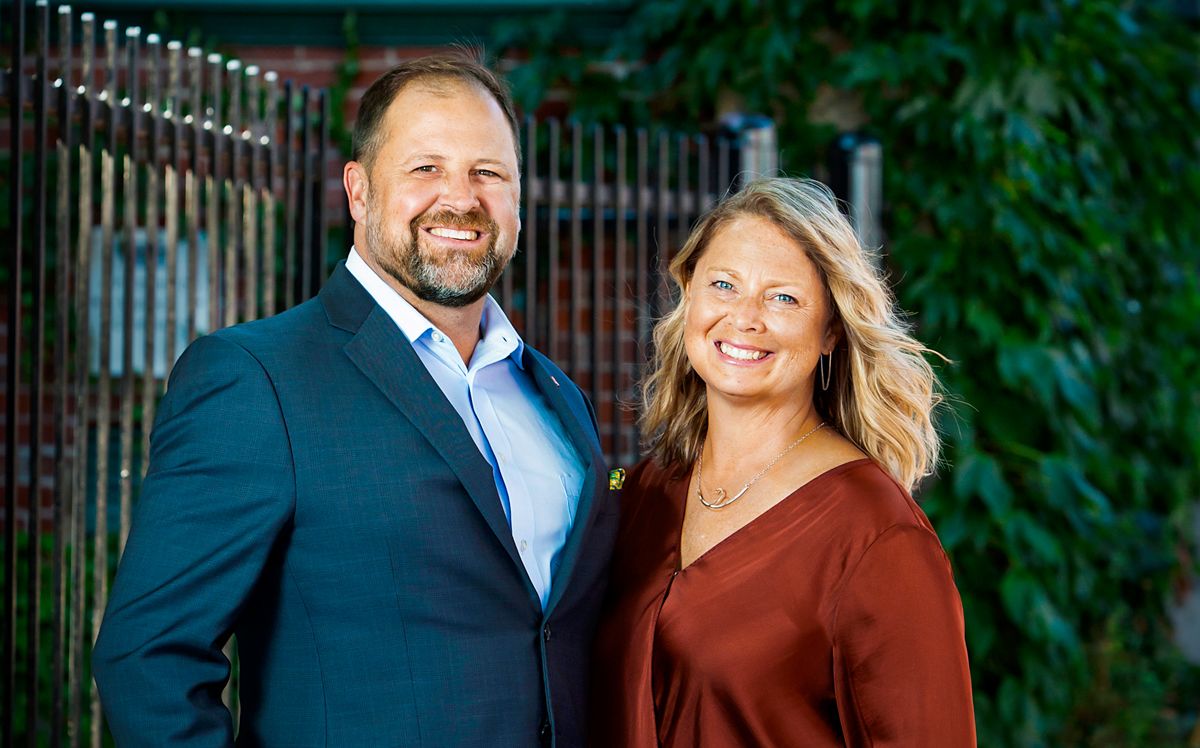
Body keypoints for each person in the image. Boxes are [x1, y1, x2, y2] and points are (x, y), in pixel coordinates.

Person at [92, 51, 618, 747]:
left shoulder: (555, 396)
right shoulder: (255, 378)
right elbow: (147, 660)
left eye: (487, 172)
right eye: (424, 168)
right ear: (360, 190)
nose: (460, 198)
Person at [592, 178, 975, 746]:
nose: (745, 318)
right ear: (689, 296)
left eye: (783, 298)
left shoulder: (875, 535)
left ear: (831, 333)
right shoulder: (646, 494)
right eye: (724, 285)